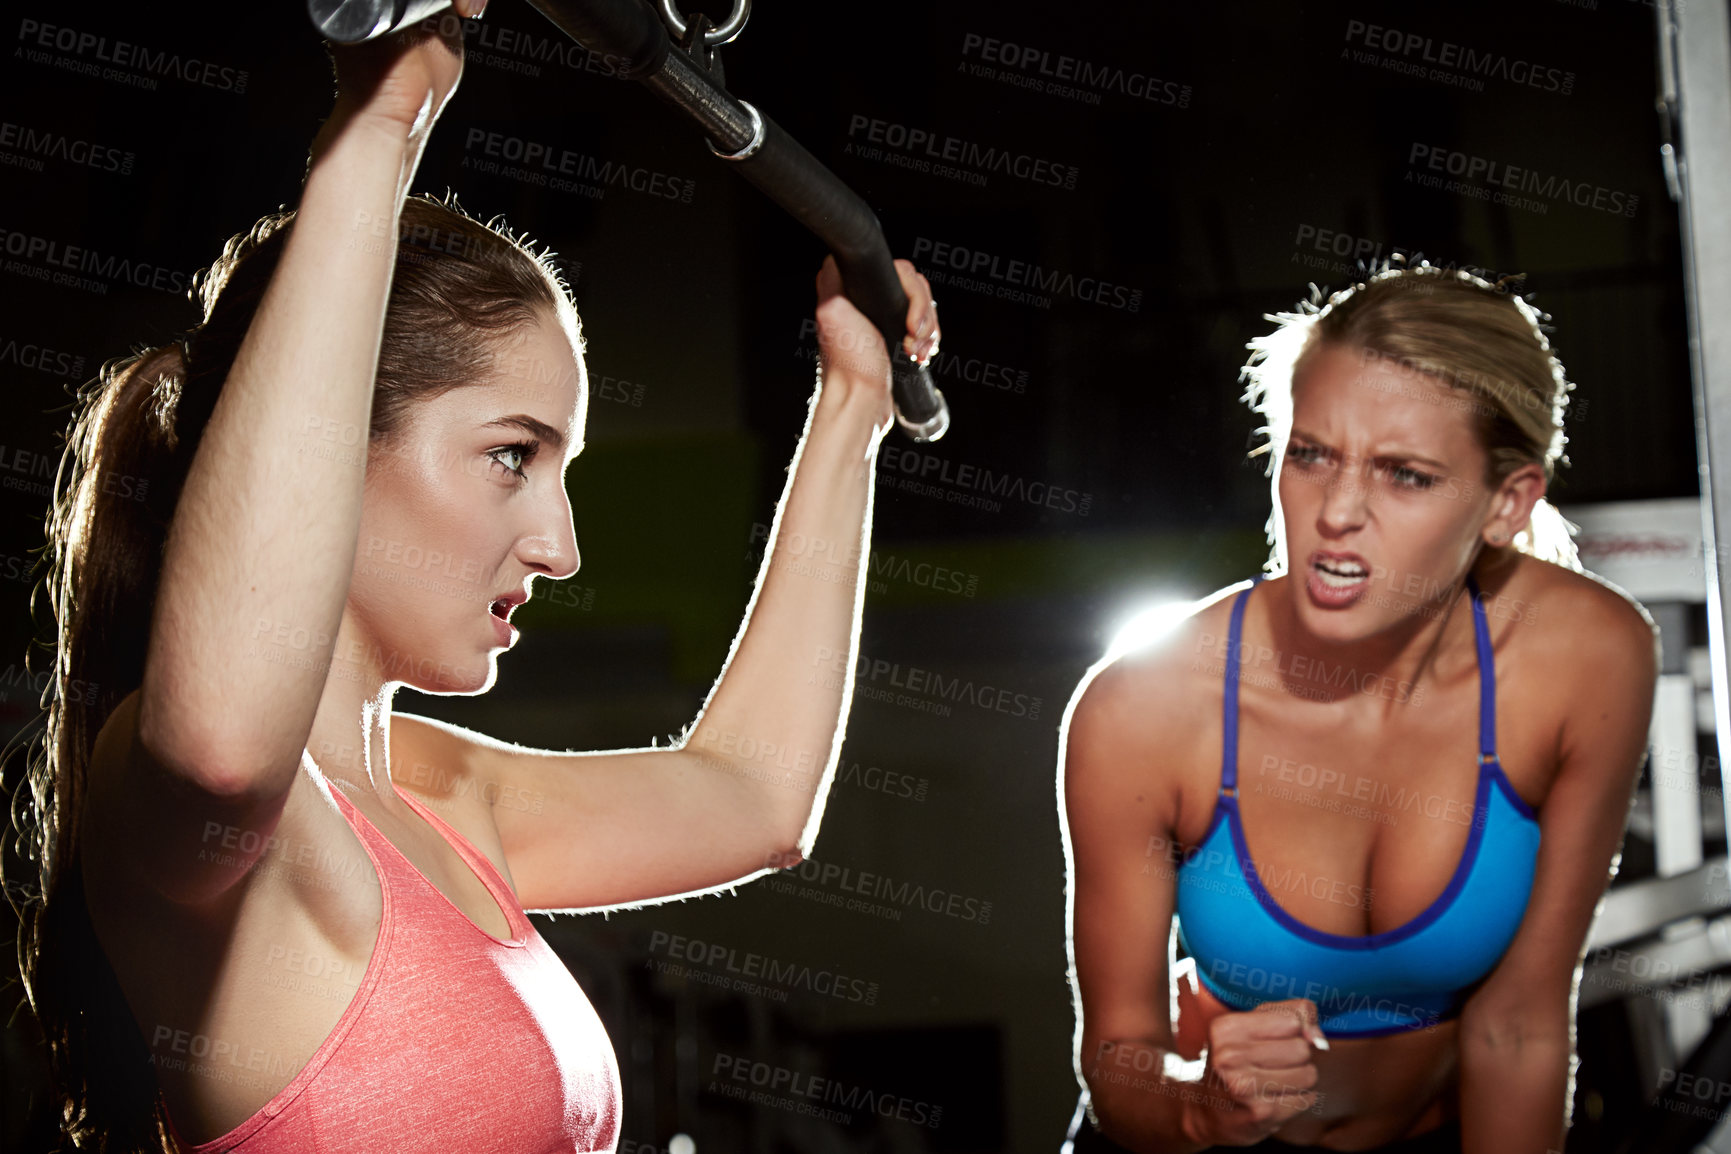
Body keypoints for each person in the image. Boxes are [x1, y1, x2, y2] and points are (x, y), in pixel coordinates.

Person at [5, 10, 937, 1153]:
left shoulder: (435, 791)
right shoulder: (185, 790)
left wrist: (852, 407)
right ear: (325, 445)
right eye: (512, 456)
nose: (561, 545)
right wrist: (381, 124)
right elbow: (227, 751)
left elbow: (753, 797)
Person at [1059, 264, 1657, 1153]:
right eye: (1311, 454)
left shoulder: (1586, 660)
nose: (1336, 510)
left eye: (1403, 476)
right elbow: (1116, 1057)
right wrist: (1194, 1105)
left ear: (1506, 503)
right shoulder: (1143, 705)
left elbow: (1519, 1026)